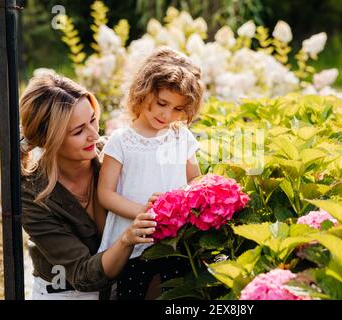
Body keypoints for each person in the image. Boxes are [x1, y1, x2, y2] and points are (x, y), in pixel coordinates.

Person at [20, 72, 157, 300]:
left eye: (93, 120)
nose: (94, 135)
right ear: (49, 140)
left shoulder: (113, 156)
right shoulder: (33, 194)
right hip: (64, 292)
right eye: (78, 131)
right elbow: (83, 274)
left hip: (123, 286)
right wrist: (126, 239)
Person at [97, 46, 205, 300]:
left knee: (175, 294)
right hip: (134, 240)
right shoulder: (122, 141)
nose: (167, 115)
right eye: (162, 103)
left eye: (178, 109)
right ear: (143, 92)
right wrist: (144, 213)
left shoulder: (182, 137)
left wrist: (186, 203)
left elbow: (195, 179)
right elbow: (105, 194)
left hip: (175, 241)